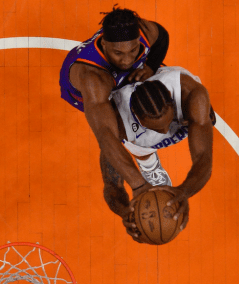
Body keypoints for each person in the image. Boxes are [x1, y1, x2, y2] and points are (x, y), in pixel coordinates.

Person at [59, 6, 170, 198]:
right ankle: (149, 164)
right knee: (123, 129)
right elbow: (106, 135)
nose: (127, 60)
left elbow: (162, 37)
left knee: (165, 85)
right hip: (91, 92)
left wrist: (151, 67)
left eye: (133, 50)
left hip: (120, 78)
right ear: (104, 45)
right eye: (118, 53)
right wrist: (138, 185)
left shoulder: (145, 31)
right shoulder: (92, 78)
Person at [105, 66, 215, 242]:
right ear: (136, 117)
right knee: (141, 151)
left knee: (203, 115)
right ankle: (150, 167)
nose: (165, 131)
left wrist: (184, 191)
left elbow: (204, 158)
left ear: (171, 98)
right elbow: (112, 185)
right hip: (137, 137)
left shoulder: (191, 94)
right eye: (157, 128)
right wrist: (126, 211)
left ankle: (177, 122)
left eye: (167, 122)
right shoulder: (117, 122)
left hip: (185, 116)